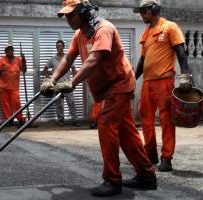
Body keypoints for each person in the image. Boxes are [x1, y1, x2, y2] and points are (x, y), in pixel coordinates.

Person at [40, 0, 156, 196]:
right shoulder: (79, 34)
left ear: (84, 12)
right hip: (105, 88)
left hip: (118, 85)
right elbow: (68, 59)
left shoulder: (104, 29)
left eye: (71, 15)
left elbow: (94, 59)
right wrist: (51, 80)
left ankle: (112, 180)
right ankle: (146, 176)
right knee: (126, 133)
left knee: (106, 126)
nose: (68, 20)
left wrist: (71, 83)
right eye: (66, 16)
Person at [133, 0, 193, 172]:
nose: (141, 14)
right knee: (145, 117)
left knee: (166, 120)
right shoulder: (147, 32)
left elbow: (181, 53)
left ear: (154, 9)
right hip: (147, 82)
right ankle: (151, 153)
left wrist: (185, 75)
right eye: (141, 11)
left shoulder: (170, 27)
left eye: (144, 11)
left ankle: (167, 157)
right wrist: (133, 77)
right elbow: (143, 60)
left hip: (164, 81)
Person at [43, 40, 81, 127]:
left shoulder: (68, 58)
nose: (59, 48)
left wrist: (75, 80)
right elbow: (45, 68)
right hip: (56, 85)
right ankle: (61, 120)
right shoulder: (53, 59)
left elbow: (74, 69)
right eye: (58, 46)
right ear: (56, 48)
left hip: (67, 84)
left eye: (61, 46)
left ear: (63, 47)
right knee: (59, 104)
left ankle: (75, 120)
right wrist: (48, 79)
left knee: (71, 103)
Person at [0, 44, 27, 128]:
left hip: (14, 87)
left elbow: (24, 70)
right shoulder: (1, 60)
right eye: (8, 50)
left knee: (16, 103)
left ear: (13, 51)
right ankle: (9, 120)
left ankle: (20, 119)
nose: (10, 51)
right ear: (5, 51)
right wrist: (2, 70)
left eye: (11, 50)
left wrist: (24, 60)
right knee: (6, 104)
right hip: (3, 87)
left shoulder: (18, 60)